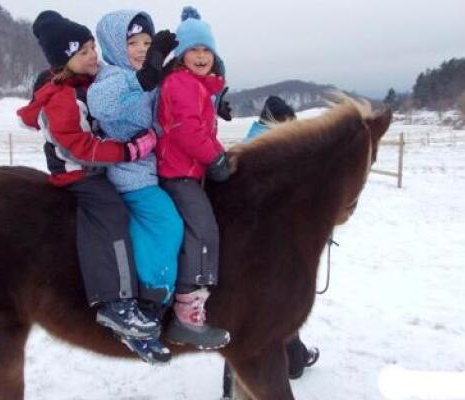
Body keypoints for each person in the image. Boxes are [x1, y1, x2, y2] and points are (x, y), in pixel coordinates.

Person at [17, 11, 161, 357]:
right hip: (78, 172)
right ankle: (115, 303)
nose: (93, 56)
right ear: (65, 60)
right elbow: (80, 147)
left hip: (95, 166)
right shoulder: (63, 97)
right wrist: (127, 151)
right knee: (110, 212)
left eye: (92, 47)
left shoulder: (85, 85)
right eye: (82, 52)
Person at [86, 10, 183, 364]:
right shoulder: (112, 77)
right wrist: (143, 78)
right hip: (129, 175)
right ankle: (147, 306)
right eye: (133, 43)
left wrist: (213, 102)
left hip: (153, 168)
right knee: (166, 223)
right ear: (114, 45)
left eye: (148, 42)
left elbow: (165, 110)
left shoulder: (148, 77)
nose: (142, 49)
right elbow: (101, 103)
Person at [221, 95, 320, 398]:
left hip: (241, 249)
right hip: (271, 250)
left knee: (248, 319)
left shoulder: (247, 146)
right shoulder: (281, 152)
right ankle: (293, 363)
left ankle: (292, 360)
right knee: (270, 314)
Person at [155, 6, 232, 350]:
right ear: (181, 55)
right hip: (177, 173)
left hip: (189, 170)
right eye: (194, 50)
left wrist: (220, 154)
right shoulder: (181, 84)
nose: (201, 56)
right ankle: (186, 313)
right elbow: (187, 131)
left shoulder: (198, 86)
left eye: (207, 50)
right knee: (202, 228)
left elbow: (203, 129)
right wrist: (214, 157)